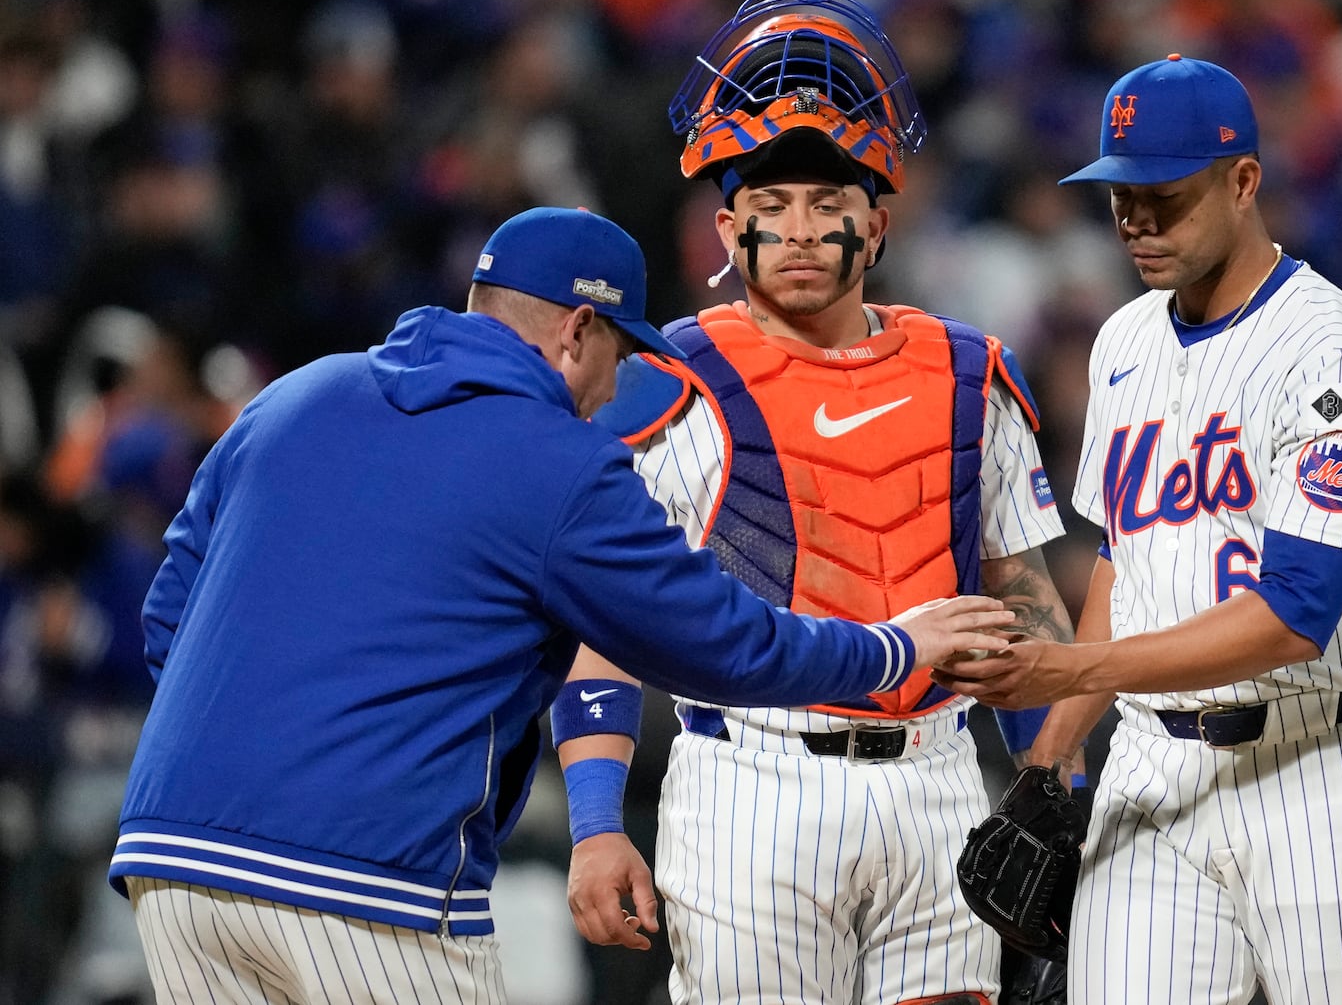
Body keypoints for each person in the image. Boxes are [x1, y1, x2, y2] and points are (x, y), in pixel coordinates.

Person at [105, 205, 1016, 1003]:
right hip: (361, 875)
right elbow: (724, 643)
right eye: (618, 351)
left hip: (171, 859)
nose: (617, 386)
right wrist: (893, 648)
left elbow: (167, 619)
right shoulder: (557, 460)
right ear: (579, 328)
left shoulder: (294, 397)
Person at [555, 0, 1079, 1005]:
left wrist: (1055, 785)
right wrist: (594, 820)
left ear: (874, 226)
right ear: (727, 228)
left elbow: (1022, 595)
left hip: (938, 778)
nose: (799, 230)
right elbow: (604, 621)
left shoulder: (973, 371)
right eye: (771, 207)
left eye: (827, 205)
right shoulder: (667, 378)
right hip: (749, 778)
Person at [935, 55, 1342, 1004]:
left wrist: (1068, 675)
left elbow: (1292, 615)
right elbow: (1126, 565)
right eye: (1120, 197)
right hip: (1152, 767)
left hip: (1320, 768)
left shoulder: (1333, 357)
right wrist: (1049, 761)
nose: (1136, 222)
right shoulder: (1123, 341)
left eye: (1163, 197)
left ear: (1244, 182)